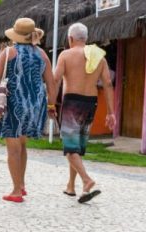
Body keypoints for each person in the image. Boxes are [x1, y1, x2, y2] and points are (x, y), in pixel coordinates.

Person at [0, 18, 57, 203]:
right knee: (22, 144)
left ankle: (16, 191)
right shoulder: (42, 54)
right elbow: (51, 83)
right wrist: (51, 105)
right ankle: (21, 184)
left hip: (14, 104)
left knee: (13, 148)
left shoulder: (8, 52)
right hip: (35, 106)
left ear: (16, 35)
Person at [53, 23, 113, 203]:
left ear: (70, 39)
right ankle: (71, 186)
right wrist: (111, 113)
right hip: (91, 103)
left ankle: (87, 181)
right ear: (85, 38)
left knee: (70, 148)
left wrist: (50, 103)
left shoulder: (66, 55)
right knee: (76, 147)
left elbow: (56, 80)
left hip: (72, 102)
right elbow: (108, 84)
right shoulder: (99, 57)